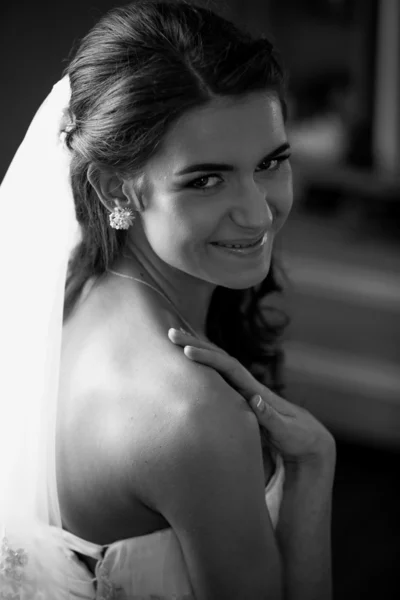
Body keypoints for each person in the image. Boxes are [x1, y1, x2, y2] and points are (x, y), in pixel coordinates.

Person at [0, 1, 335, 598]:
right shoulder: (192, 417)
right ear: (114, 187)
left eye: (270, 162)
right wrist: (313, 466)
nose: (258, 213)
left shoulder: (73, 291)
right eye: (206, 179)